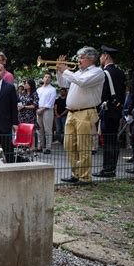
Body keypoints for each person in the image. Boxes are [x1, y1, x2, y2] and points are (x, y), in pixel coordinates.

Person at [56, 46, 104, 185]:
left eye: (82, 57)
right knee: (69, 145)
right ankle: (75, 173)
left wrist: (65, 70)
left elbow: (82, 82)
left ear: (91, 59)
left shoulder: (97, 72)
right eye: (78, 57)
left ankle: (84, 177)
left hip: (86, 112)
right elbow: (63, 83)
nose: (78, 60)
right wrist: (59, 71)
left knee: (83, 146)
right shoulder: (77, 72)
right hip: (71, 112)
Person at [92, 45, 126, 178]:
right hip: (117, 110)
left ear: (106, 56)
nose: (100, 58)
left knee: (107, 140)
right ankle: (111, 167)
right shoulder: (120, 72)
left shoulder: (104, 73)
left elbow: (103, 93)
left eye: (101, 55)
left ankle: (107, 169)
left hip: (108, 110)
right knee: (113, 140)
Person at [36, 73, 57, 154]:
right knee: (39, 130)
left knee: (48, 129)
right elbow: (36, 100)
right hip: (38, 110)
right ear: (43, 78)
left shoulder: (52, 89)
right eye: (45, 77)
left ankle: (48, 147)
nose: (47, 78)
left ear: (50, 79)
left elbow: (51, 101)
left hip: (47, 110)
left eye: (49, 77)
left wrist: (43, 109)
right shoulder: (38, 89)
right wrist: (37, 109)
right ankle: (40, 146)